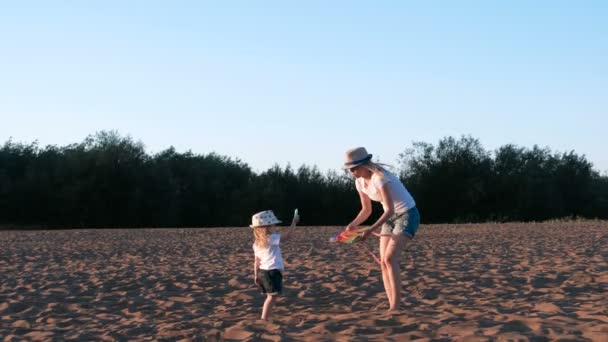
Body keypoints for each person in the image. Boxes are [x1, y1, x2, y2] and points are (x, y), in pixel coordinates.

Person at [342, 147, 420, 312]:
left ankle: (395, 307)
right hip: (389, 218)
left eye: (353, 168)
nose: (351, 172)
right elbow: (366, 210)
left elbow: (390, 209)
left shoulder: (379, 178)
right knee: (383, 262)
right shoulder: (359, 182)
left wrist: (369, 230)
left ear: (363, 164)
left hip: (407, 214)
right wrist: (353, 224)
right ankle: (392, 303)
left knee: (390, 259)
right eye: (349, 169)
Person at [251, 209, 299, 320]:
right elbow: (288, 236)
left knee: (272, 296)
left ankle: (266, 317)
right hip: (271, 273)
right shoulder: (271, 238)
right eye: (272, 225)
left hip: (263, 272)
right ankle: (264, 319)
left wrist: (255, 275)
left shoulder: (256, 243)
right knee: (271, 297)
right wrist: (294, 222)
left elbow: (256, 261)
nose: (274, 226)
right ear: (267, 227)